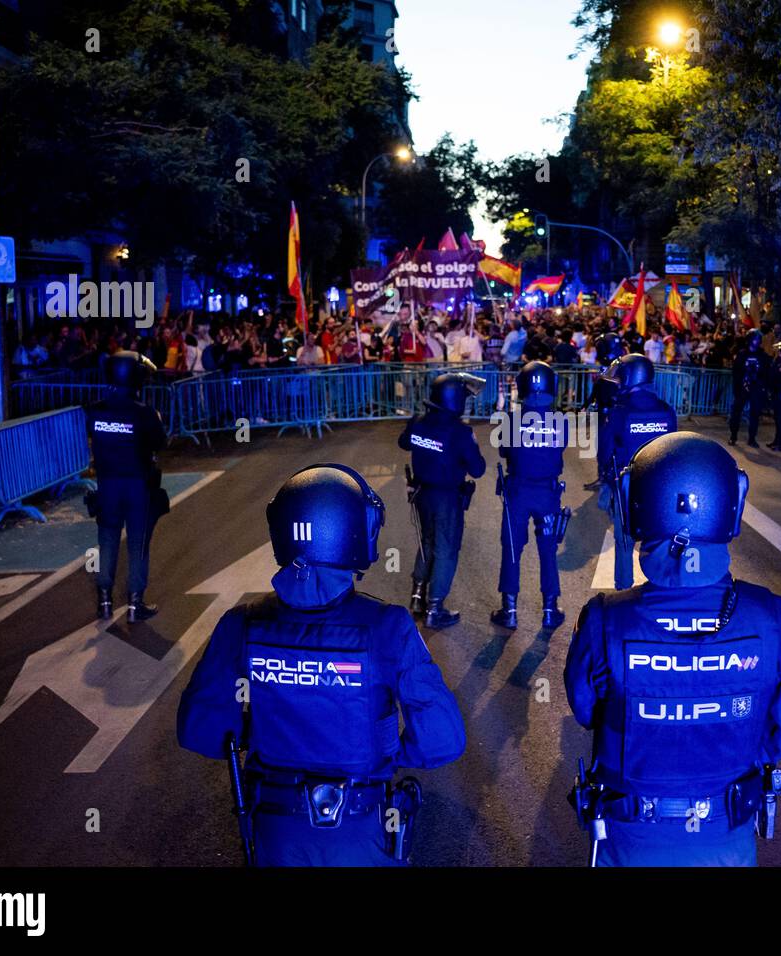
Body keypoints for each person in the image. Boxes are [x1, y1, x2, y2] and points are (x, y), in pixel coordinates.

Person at [176, 465, 466, 866]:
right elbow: (443, 740)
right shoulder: (388, 627)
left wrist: (266, 729)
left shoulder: (241, 623)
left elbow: (200, 731)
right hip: (360, 830)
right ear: (353, 533)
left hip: (276, 833)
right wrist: (386, 750)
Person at [565, 432, 781, 866]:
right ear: (731, 505)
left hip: (630, 840)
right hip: (725, 838)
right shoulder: (775, 619)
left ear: (634, 502)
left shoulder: (604, 619)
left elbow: (586, 713)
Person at [400, 372, 488, 629]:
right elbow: (478, 469)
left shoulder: (419, 422)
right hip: (446, 498)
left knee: (426, 542)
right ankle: (435, 608)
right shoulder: (460, 432)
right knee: (446, 550)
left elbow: (404, 442)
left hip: (421, 495)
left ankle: (417, 596)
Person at [86, 351, 168, 622]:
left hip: (107, 485)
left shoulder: (96, 410)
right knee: (138, 545)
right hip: (137, 486)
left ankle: (105, 601)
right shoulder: (144, 413)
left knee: (107, 542)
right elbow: (160, 443)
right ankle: (135, 604)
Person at [491, 361, 569, 631]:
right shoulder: (560, 422)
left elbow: (503, 452)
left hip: (518, 493)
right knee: (548, 551)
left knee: (512, 549)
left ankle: (509, 610)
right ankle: (550, 610)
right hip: (547, 494)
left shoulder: (512, 421)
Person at [598, 354, 678, 590]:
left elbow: (604, 451)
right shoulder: (666, 410)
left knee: (624, 542)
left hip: (626, 487)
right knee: (657, 541)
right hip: (659, 488)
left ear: (631, 379)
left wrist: (605, 479)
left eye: (621, 380)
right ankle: (660, 590)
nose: (619, 384)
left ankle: (624, 589)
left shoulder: (619, 413)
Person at [728, 330, 770, 448]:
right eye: (755, 338)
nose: (757, 341)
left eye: (758, 339)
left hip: (756, 389)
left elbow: (766, 373)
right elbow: (736, 372)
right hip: (742, 388)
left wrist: (763, 387)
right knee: (736, 412)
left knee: (755, 414)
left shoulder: (762, 356)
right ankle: (733, 436)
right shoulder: (742, 354)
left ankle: (752, 438)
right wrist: (737, 388)